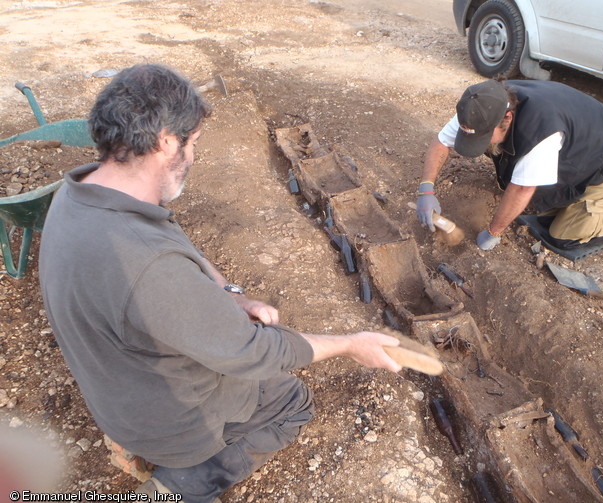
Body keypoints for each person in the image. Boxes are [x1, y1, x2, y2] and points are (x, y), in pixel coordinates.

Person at [38, 64, 402, 502]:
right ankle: (176, 486)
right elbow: (252, 352)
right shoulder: (148, 263)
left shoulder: (82, 193)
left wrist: (231, 295)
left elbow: (170, 245)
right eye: (192, 144)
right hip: (169, 423)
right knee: (291, 402)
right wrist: (348, 344)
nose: (193, 156)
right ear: (166, 142)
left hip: (117, 390)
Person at [415, 78, 603, 251]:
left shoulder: (540, 132)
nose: (479, 144)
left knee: (564, 231)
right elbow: (441, 143)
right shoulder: (481, 106)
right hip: (584, 143)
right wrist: (426, 189)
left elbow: (522, 190)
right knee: (538, 202)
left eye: (484, 137)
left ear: (507, 118)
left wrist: (493, 232)